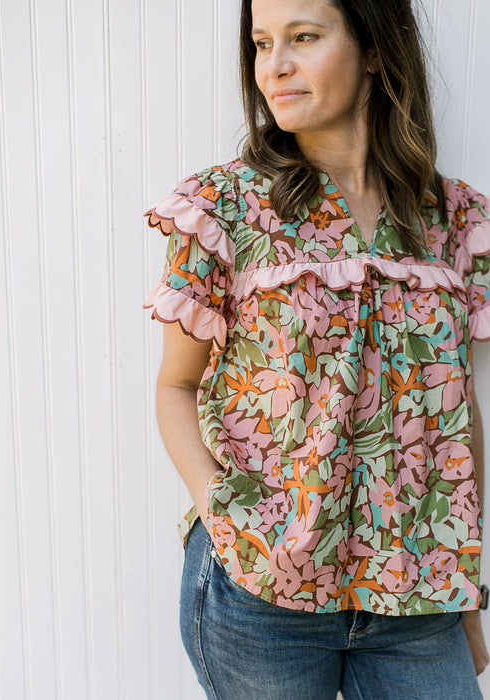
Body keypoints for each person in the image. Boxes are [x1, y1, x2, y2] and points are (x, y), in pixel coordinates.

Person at [145, 1, 490, 697]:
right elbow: (175, 387)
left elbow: (458, 411)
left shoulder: (454, 221)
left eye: (303, 37)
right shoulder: (227, 207)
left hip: (416, 597)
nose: (274, 66)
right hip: (262, 589)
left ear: (374, 50)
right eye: (261, 43)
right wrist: (223, 510)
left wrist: (466, 590)